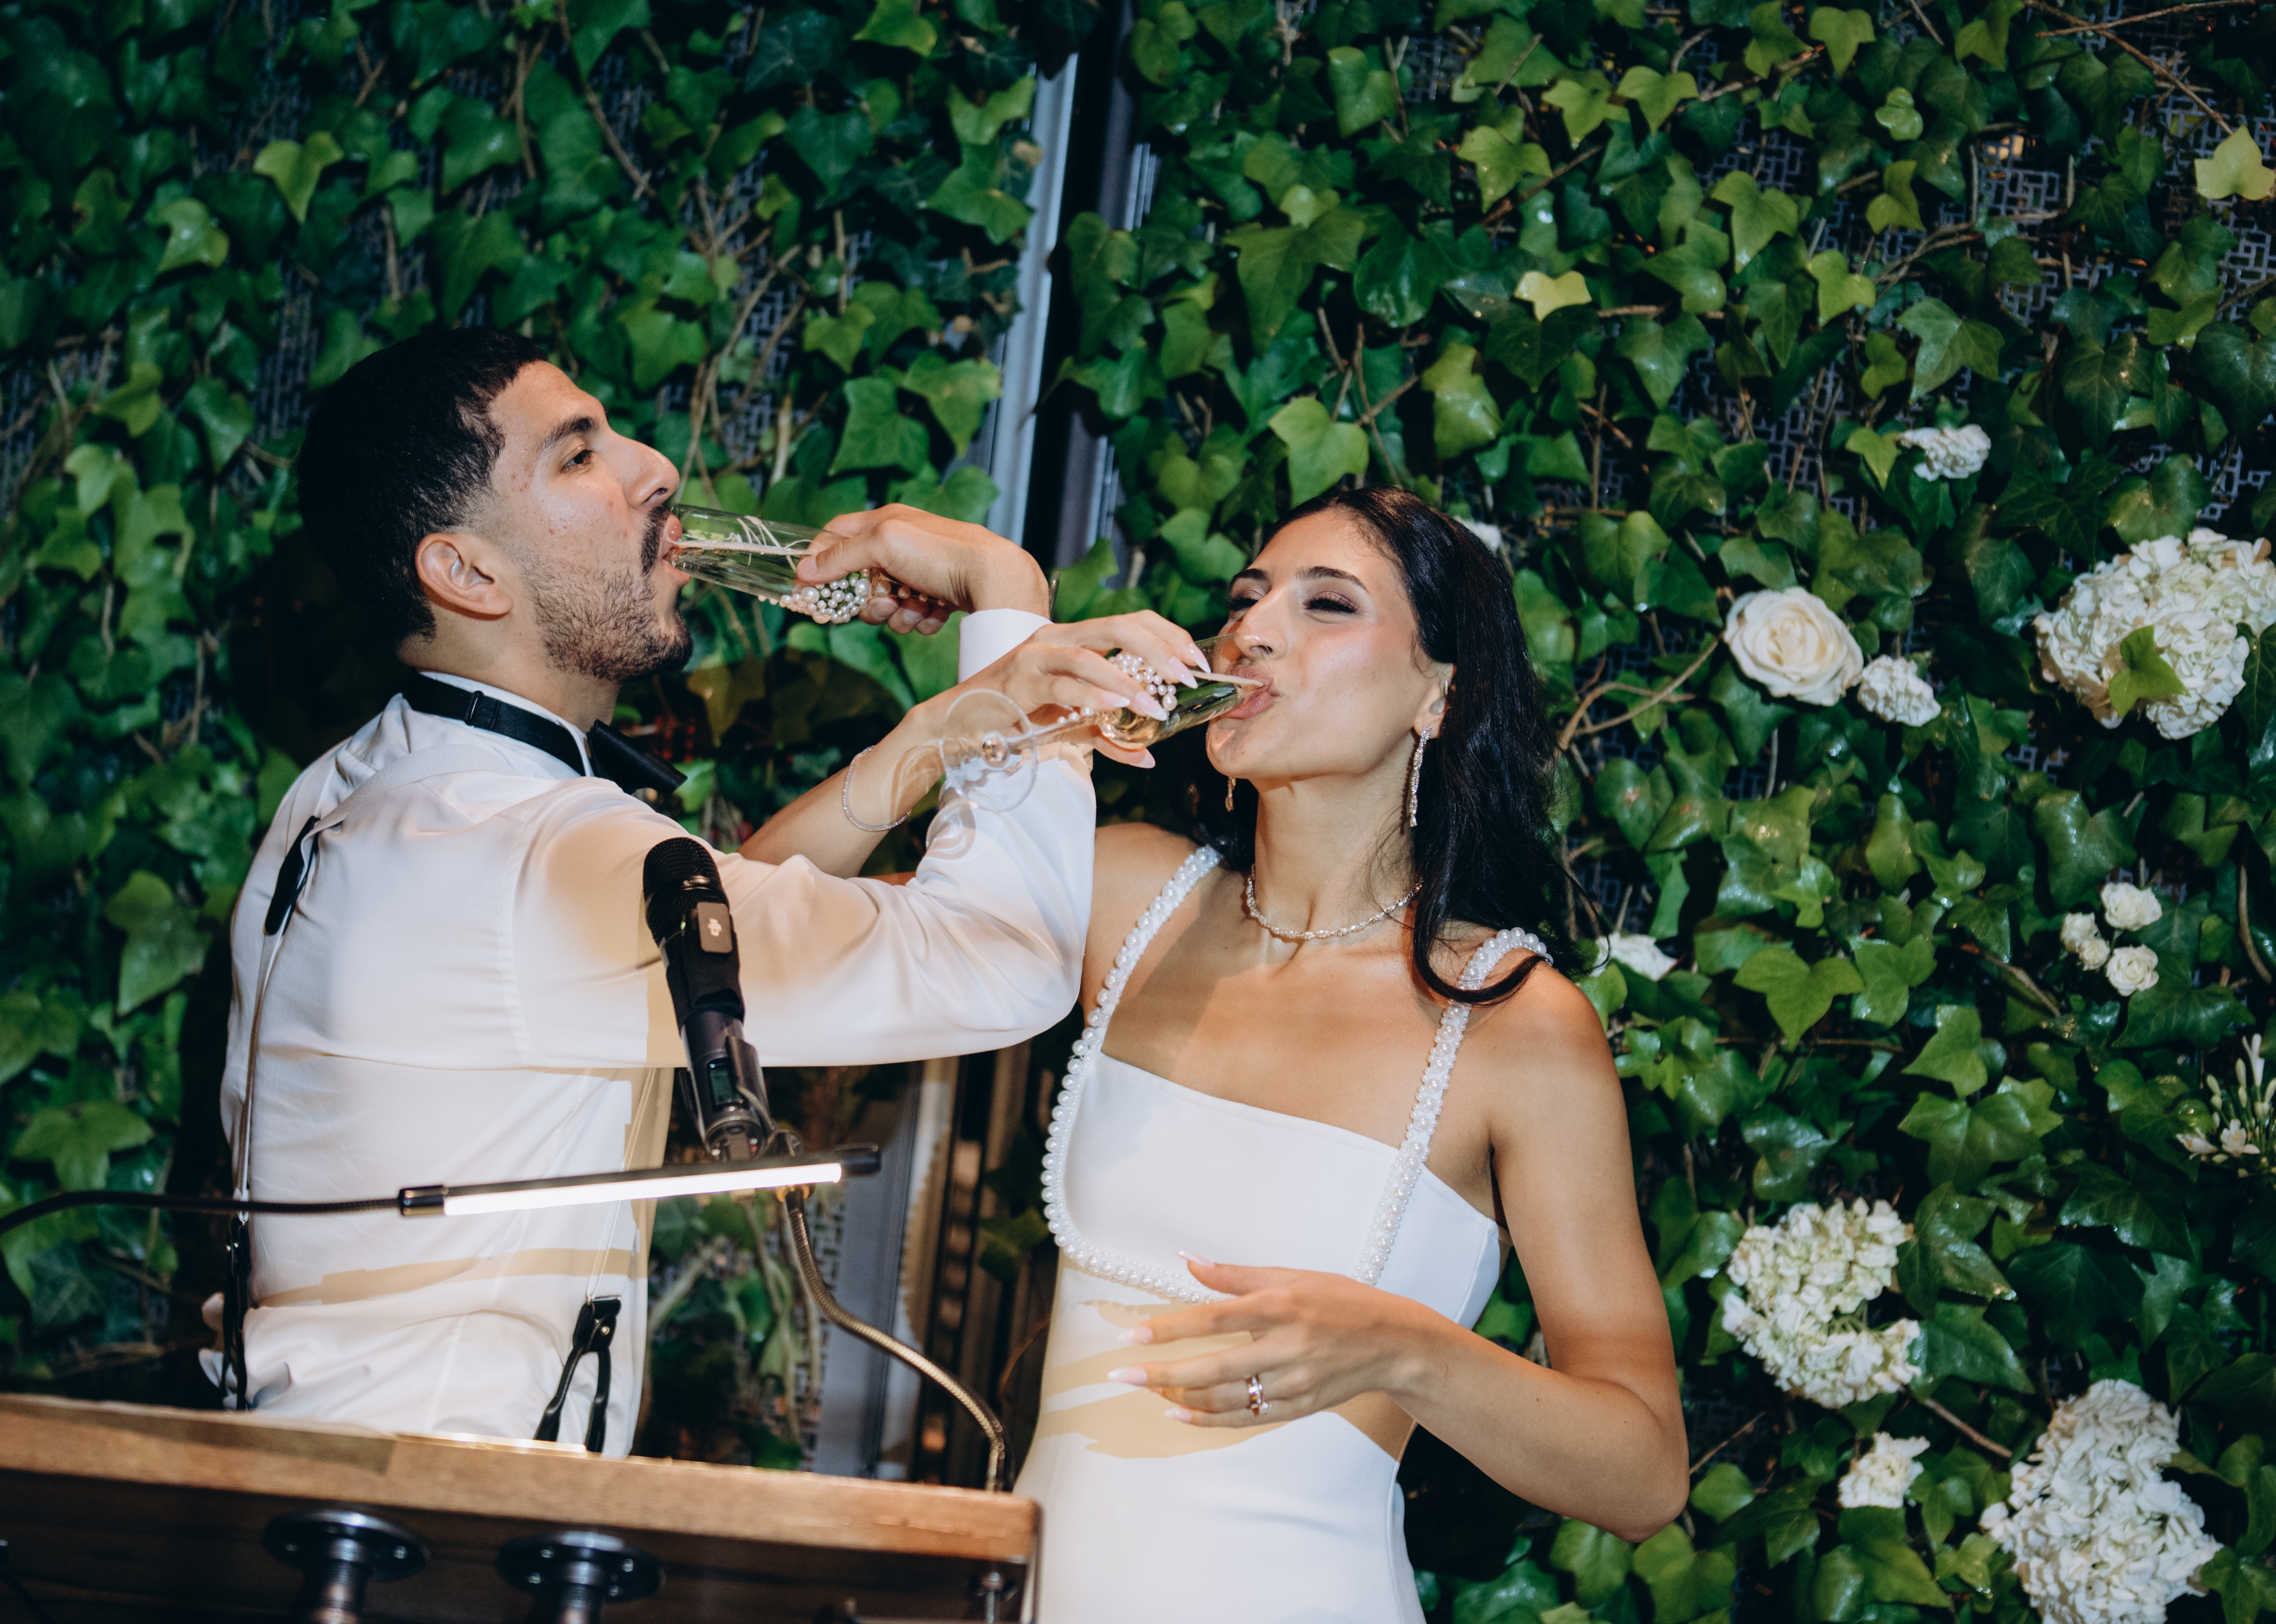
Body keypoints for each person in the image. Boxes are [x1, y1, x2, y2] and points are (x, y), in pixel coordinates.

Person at [212, 327, 1204, 1455]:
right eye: (578, 456)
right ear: (468, 573)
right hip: (440, 1507)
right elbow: (1006, 964)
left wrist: (939, 736)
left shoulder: (363, 791)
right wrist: (1006, 593)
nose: (655, 468)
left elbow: (711, 933)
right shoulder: (530, 855)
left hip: (328, 1473)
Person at [751, 486, 1686, 1619]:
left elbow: (1643, 1474)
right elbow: (752, 952)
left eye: (1327, 605)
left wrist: (1403, 1352)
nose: (1251, 631)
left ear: (1439, 695)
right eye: (1245, 599)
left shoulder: (1511, 1021)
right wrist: (958, 713)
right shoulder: (1127, 898)